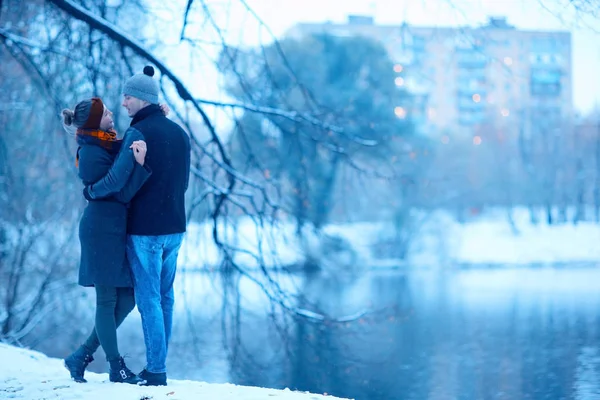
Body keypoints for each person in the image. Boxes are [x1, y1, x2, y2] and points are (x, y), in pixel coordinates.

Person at [85, 65, 191, 386]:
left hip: (145, 231)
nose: (124, 103)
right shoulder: (181, 133)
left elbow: (120, 179)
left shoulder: (138, 133)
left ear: (142, 99)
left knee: (149, 300)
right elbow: (182, 184)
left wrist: (91, 190)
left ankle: (156, 371)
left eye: (128, 97)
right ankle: (158, 364)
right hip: (176, 227)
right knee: (165, 296)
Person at [62, 97, 150, 384]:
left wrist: (137, 164)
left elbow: (122, 193)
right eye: (106, 113)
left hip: (114, 228)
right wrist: (134, 141)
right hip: (100, 231)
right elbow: (111, 183)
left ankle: (81, 356)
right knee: (107, 299)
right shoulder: (89, 153)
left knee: (128, 297)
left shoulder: (105, 144)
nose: (112, 113)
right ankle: (116, 366)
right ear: (94, 121)